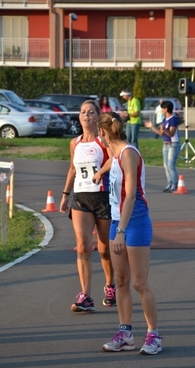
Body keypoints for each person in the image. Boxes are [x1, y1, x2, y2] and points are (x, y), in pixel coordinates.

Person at [94, 111, 162, 355]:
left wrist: (121, 230)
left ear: (102, 132)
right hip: (116, 221)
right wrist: (99, 173)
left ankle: (153, 335)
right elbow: (112, 162)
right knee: (120, 281)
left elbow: (131, 194)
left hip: (134, 221)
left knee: (139, 283)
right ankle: (125, 334)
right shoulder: (114, 152)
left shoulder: (128, 153)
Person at [59, 99, 116, 312]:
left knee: (104, 249)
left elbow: (114, 159)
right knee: (83, 246)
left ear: (98, 116)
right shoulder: (75, 143)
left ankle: (110, 286)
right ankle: (86, 296)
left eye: (91, 112)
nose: (86, 115)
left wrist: (101, 173)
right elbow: (72, 169)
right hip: (81, 198)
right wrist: (65, 194)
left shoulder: (104, 141)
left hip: (103, 198)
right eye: (83, 112)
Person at [144, 100, 180, 193]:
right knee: (166, 165)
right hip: (165, 144)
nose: (161, 110)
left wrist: (165, 130)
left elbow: (171, 134)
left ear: (166, 109)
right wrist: (152, 126)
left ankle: (174, 184)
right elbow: (160, 133)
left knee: (171, 165)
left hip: (173, 144)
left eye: (162, 109)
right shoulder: (164, 119)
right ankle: (169, 183)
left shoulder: (173, 119)